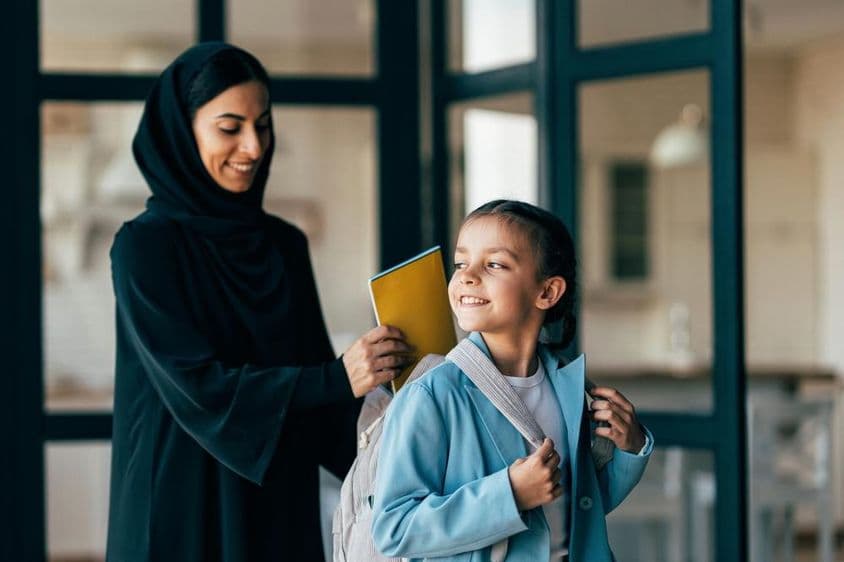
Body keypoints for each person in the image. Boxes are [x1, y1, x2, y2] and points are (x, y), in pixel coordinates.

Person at [106, 42, 410, 562]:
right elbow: (198, 385)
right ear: (182, 130)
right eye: (230, 127)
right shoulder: (145, 247)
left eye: (263, 125)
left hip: (274, 499)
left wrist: (414, 424)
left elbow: (326, 403)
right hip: (181, 503)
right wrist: (336, 377)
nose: (253, 146)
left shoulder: (284, 246)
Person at [372, 200, 653, 561]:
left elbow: (580, 507)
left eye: (494, 264)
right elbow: (394, 528)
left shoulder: (570, 389)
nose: (467, 276)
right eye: (461, 263)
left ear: (547, 292)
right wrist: (510, 495)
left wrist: (630, 449)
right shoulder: (432, 395)